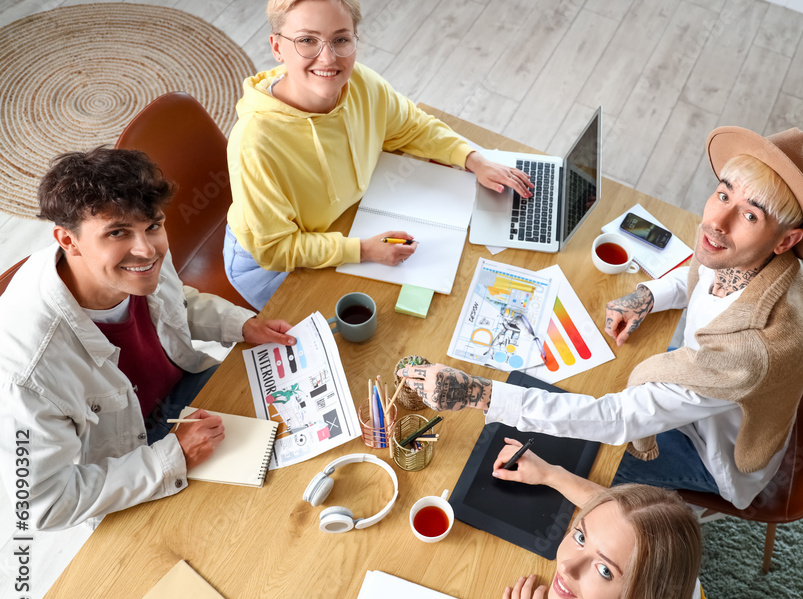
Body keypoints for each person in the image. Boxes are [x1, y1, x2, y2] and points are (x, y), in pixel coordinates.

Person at [398, 126, 803, 513]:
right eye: (723, 194)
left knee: (570, 472)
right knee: (567, 401)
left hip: (710, 450)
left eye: (750, 214)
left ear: (787, 240)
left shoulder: (745, 355)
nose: (716, 222)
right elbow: (701, 275)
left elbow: (617, 419)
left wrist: (478, 393)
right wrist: (647, 294)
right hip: (699, 389)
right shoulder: (752, 257)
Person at [0, 148, 294, 531]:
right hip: (130, 463)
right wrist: (172, 457)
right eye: (117, 232)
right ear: (67, 241)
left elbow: (177, 302)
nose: (146, 249)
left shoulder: (144, 253)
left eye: (153, 225)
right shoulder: (27, 369)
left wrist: (240, 324)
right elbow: (44, 503)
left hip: (190, 394)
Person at [225, 0, 532, 309]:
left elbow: (412, 127)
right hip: (274, 266)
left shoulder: (361, 83)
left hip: (347, 222)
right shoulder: (254, 143)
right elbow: (276, 249)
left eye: (341, 39)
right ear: (277, 47)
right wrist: (363, 251)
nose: (328, 58)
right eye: (307, 40)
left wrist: (473, 159)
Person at [493, 440, 713, 599]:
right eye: (580, 537)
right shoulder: (674, 564)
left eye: (605, 570)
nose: (568, 566)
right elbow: (621, 521)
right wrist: (549, 474)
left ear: (643, 598)